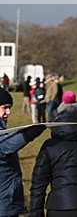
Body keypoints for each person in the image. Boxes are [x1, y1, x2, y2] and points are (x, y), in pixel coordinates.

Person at [0, 87, 46, 217]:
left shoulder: (2, 128)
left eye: (10, 108)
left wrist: (26, 130)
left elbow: (6, 137)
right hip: (3, 202)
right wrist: (28, 135)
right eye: (5, 107)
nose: (8, 112)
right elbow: (5, 145)